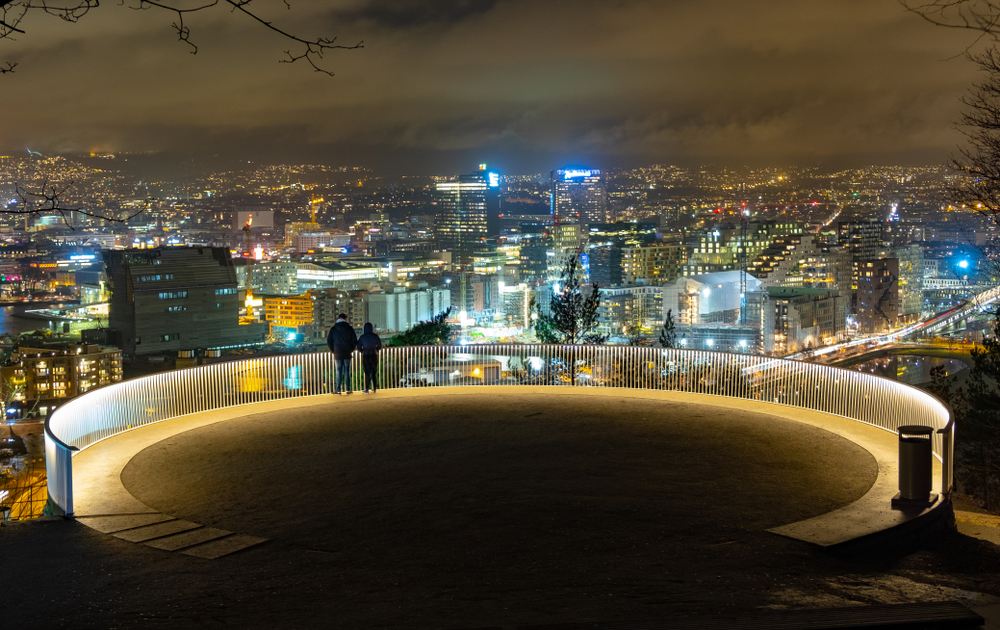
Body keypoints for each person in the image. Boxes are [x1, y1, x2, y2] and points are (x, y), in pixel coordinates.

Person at [327, 313, 358, 395]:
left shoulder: (333, 329)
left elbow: (329, 341)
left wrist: (333, 350)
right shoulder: (349, 328)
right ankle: (348, 389)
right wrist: (350, 349)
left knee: (338, 371)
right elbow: (354, 341)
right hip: (347, 352)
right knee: (347, 371)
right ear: (345, 319)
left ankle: (338, 390)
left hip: (337, 353)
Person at [356, 322, 383, 394]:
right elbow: (379, 346)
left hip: (366, 356)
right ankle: (374, 388)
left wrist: (363, 351)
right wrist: (376, 349)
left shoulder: (362, 337)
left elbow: (358, 347)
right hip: (374, 355)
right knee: (374, 372)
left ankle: (367, 389)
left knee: (367, 373)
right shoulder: (375, 336)